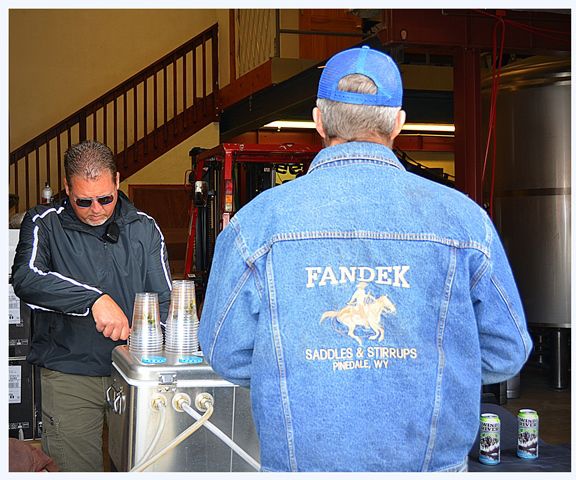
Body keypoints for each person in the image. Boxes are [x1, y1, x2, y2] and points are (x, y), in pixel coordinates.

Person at [198, 46, 532, 472]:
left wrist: (299, 370)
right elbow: (507, 350)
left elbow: (225, 352)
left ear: (318, 120)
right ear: (398, 123)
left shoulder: (257, 224)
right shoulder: (465, 221)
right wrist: (433, 371)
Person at [11, 140, 172, 472]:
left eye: (105, 198)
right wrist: (93, 300)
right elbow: (26, 278)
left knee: (143, 466)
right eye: (83, 201)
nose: (96, 209)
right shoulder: (44, 222)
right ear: (67, 188)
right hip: (70, 374)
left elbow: (165, 300)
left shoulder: (143, 227)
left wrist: (153, 343)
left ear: (116, 181)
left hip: (133, 372)